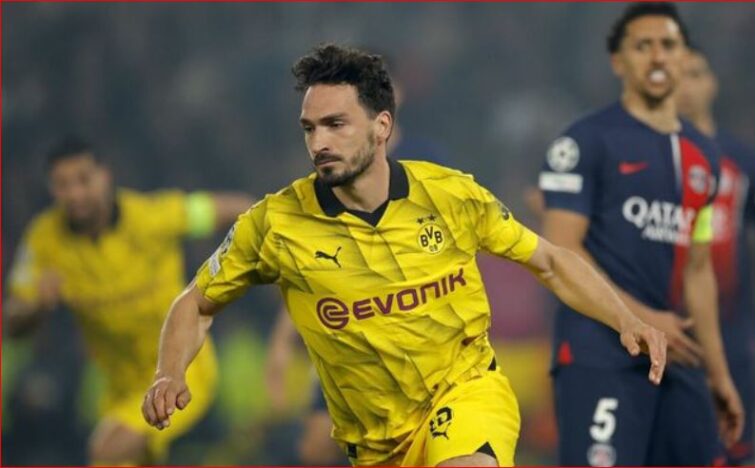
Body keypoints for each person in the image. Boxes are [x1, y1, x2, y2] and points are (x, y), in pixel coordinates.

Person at [142, 44, 666, 467]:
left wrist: (625, 319)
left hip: (465, 393)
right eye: (310, 128)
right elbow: (196, 302)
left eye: (336, 125)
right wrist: (169, 373)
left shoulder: (451, 195)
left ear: (382, 127)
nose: (319, 142)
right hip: (375, 444)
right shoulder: (274, 224)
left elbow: (549, 261)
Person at [538, 3, 744, 466]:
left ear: (683, 57)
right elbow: (561, 249)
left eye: (668, 45)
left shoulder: (706, 156)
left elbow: (698, 272)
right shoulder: (583, 142)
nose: (657, 57)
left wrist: (718, 374)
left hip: (677, 360)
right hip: (600, 354)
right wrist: (644, 319)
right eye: (642, 46)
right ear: (619, 62)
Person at [5, 136, 254, 465]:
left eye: (83, 180)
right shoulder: (43, 241)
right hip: (120, 390)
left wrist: (272, 246)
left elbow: (236, 208)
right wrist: (36, 306)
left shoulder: (153, 218)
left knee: (105, 451)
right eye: (63, 185)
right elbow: (12, 322)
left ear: (105, 175)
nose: (75, 194)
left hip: (180, 369)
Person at [263, 61, 454, 466]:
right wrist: (282, 338)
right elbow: (311, 257)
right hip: (351, 330)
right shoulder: (335, 169)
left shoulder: (427, 161)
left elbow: (454, 241)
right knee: (316, 447)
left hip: (413, 329)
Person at [676, 47, 755, 465]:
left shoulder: (745, 162)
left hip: (734, 332)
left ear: (713, 83)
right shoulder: (649, 158)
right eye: (678, 75)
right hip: (669, 329)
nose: (686, 86)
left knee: (736, 450)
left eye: (696, 74)